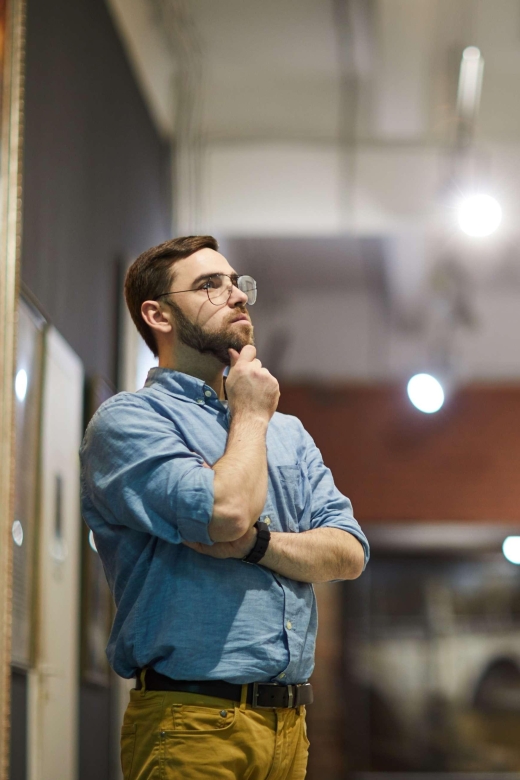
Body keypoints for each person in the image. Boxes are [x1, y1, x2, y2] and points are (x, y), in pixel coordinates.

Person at [80, 235, 370, 780]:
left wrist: (260, 545)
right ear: (157, 314)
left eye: (237, 283)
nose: (236, 296)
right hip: (191, 719)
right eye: (210, 285)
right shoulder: (130, 422)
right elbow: (226, 513)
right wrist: (252, 415)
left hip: (289, 726)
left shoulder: (290, 433)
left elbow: (349, 551)